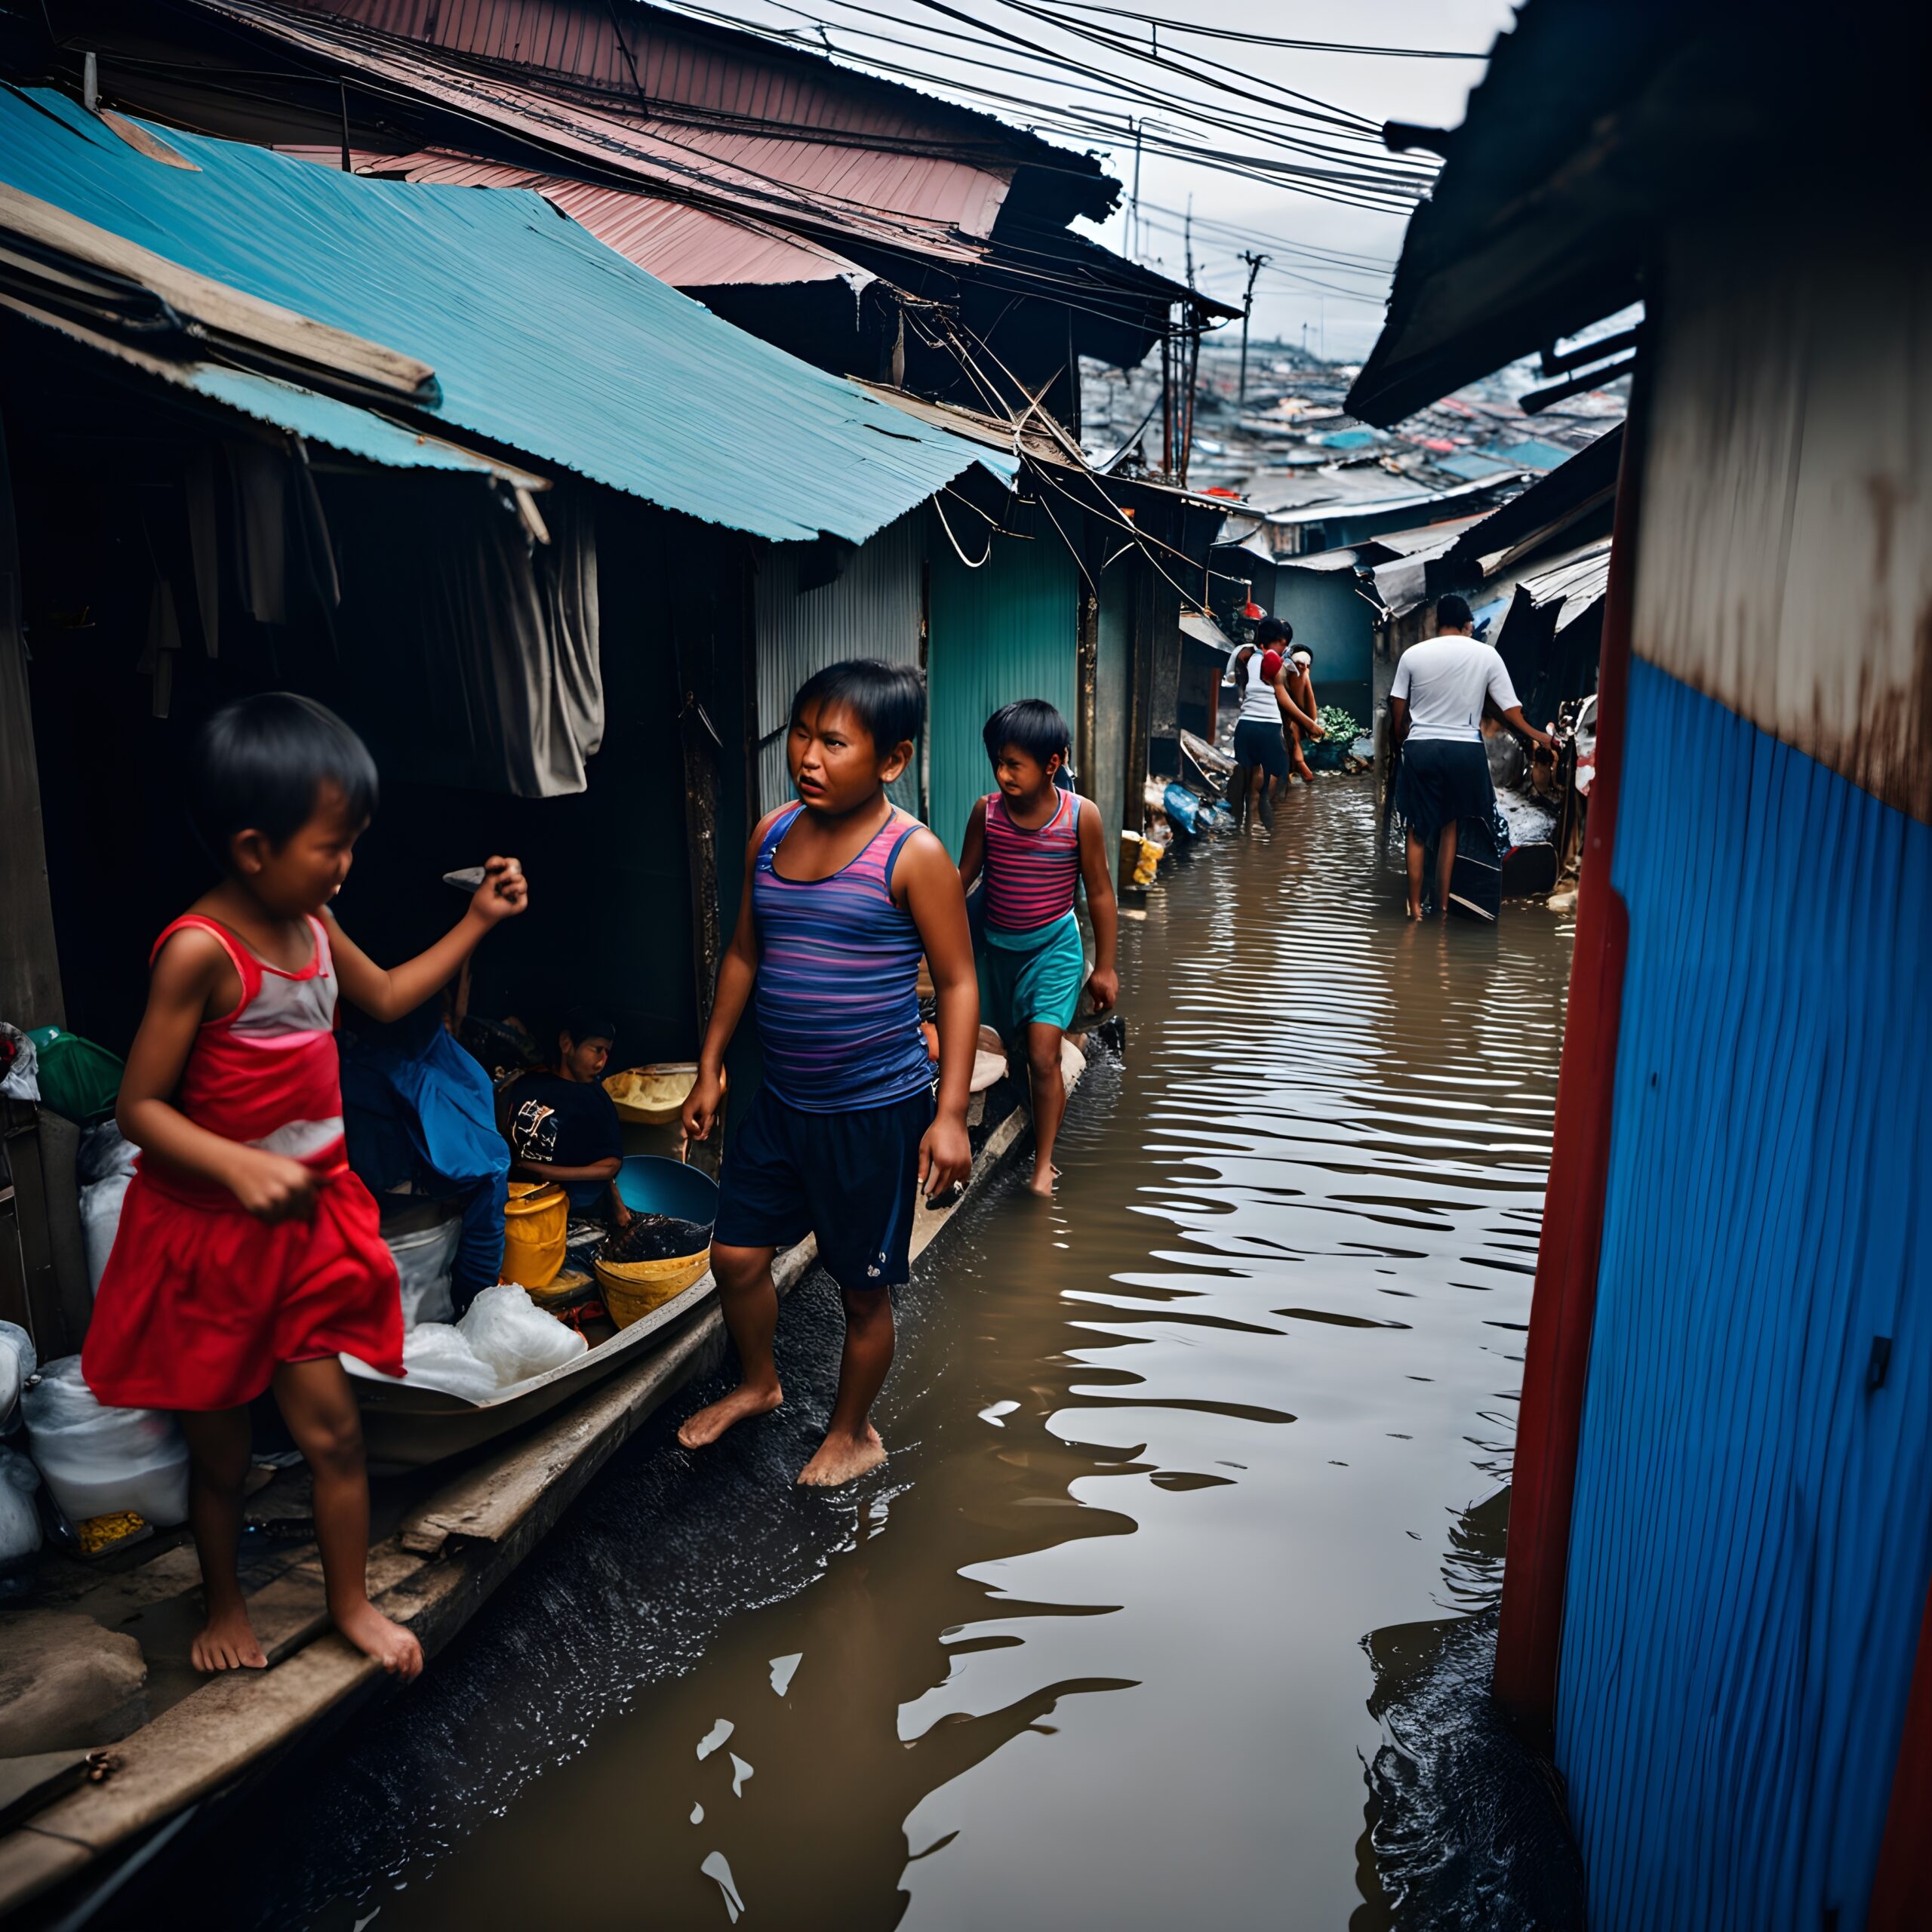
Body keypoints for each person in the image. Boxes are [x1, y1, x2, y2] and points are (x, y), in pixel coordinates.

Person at [85, 693, 527, 1676]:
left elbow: (389, 998)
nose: (346, 865)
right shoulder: (201, 952)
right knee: (223, 1456)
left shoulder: (317, 924)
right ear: (252, 848)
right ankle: (226, 1605)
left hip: (301, 1230)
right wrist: (239, 1163)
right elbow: (139, 1109)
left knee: (333, 1434)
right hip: (211, 1236)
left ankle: (348, 1604)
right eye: (333, 846)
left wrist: (476, 922)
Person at [678, 660, 975, 1487]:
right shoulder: (770, 834)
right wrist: (710, 1066)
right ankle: (760, 1381)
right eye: (801, 734)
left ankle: (853, 1432)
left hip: (873, 1114)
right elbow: (743, 951)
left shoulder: (912, 855)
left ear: (892, 760)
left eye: (833, 741)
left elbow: (956, 982)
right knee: (734, 1259)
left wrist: (948, 1115)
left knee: (861, 1293)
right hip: (779, 1100)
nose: (807, 755)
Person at [957, 700, 1119, 1197]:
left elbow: (1100, 893)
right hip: (995, 954)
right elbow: (961, 880)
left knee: (1045, 1054)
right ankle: (1004, 1121)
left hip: (1053, 951)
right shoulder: (986, 814)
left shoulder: (1080, 817)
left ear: (1052, 764)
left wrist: (1106, 969)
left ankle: (1043, 1165)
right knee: (1004, 1049)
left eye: (1014, 765)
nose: (1003, 775)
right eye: (998, 763)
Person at [1389, 594, 1556, 920]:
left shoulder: (1413, 654)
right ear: (1468, 624)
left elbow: (1399, 706)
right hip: (1465, 750)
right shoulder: (1487, 655)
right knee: (1451, 825)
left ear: (1438, 623)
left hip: (1422, 746)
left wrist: (1401, 740)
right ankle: (1443, 906)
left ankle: (1413, 909)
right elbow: (1512, 711)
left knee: (1417, 829)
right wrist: (1540, 737)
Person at [501, 1013, 629, 1229]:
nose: (602, 1062)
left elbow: (610, 1166)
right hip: (510, 1200)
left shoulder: (596, 1100)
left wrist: (545, 1173)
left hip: (564, 1210)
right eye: (597, 1050)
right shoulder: (527, 1082)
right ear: (566, 1044)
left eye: (607, 1052)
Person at [1229, 618, 1323, 826]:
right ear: (1281, 641)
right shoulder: (1277, 664)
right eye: (1284, 644)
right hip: (1270, 728)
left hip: (1247, 725)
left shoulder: (1246, 656)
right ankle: (1263, 825)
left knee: (1254, 779)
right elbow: (1288, 700)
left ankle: (1251, 831)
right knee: (1272, 781)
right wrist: (1310, 724)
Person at [1281, 645, 1321, 784]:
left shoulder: (1301, 674)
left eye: (1305, 666)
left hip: (1293, 724)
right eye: (1298, 666)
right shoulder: (1280, 673)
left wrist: (1306, 677)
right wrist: (1310, 725)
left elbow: (1309, 714)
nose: (1301, 668)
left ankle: (1296, 765)